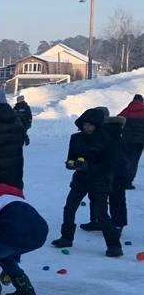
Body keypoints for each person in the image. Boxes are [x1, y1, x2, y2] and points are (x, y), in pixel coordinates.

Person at [50, 107, 121, 256]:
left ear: (97, 125)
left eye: (90, 125)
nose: (87, 127)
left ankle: (114, 246)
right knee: (69, 208)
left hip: (100, 181)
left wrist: (89, 166)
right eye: (85, 124)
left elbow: (110, 164)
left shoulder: (107, 140)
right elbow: (71, 157)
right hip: (81, 180)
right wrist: (72, 164)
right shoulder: (76, 138)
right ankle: (66, 237)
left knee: (100, 214)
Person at [118, 94, 144, 188]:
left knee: (125, 160)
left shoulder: (126, 110)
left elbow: (117, 121)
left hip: (126, 140)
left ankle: (121, 180)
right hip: (139, 142)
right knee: (133, 161)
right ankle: (128, 182)